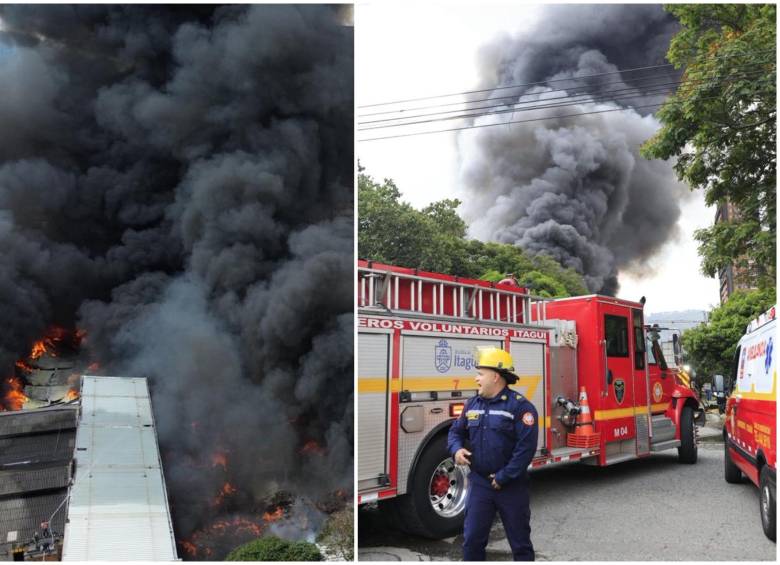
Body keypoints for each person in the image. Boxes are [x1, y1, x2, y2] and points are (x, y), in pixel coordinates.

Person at [448, 347, 539, 561]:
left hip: (511, 486)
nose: (476, 378)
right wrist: (456, 450)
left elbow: (525, 449)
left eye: (480, 373)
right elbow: (455, 432)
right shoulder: (472, 404)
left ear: (495, 376)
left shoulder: (520, 407)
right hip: (480, 483)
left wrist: (504, 476)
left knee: (520, 544)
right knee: (472, 542)